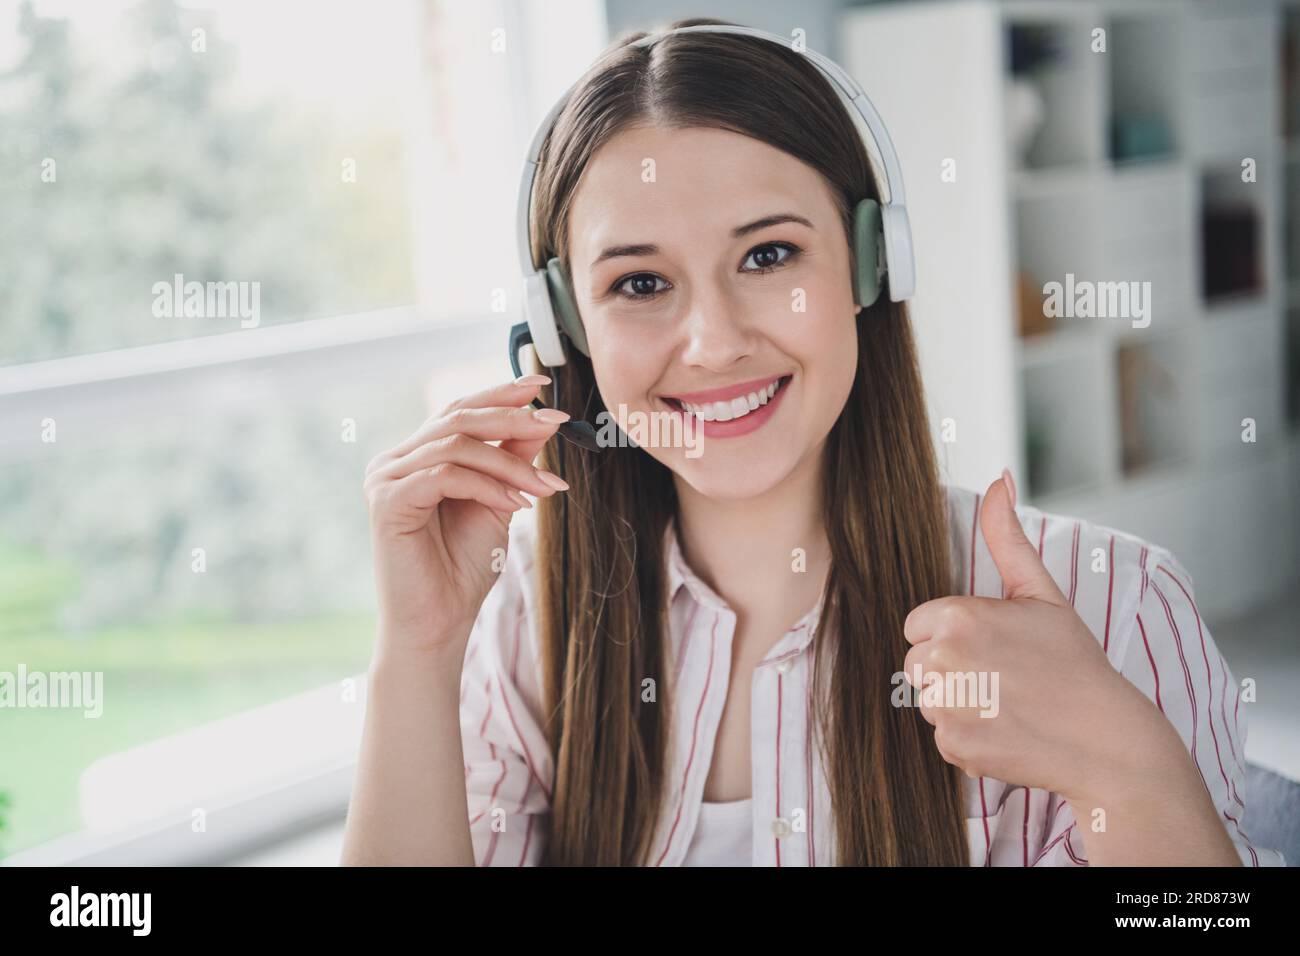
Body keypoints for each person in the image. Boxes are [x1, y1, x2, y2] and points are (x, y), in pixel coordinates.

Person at [340, 18, 1282, 867]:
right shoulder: (522, 627)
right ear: (563, 328)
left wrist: (1125, 769)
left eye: (767, 255)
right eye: (638, 283)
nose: (713, 342)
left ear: (874, 264)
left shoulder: (1111, 609)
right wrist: (418, 648)